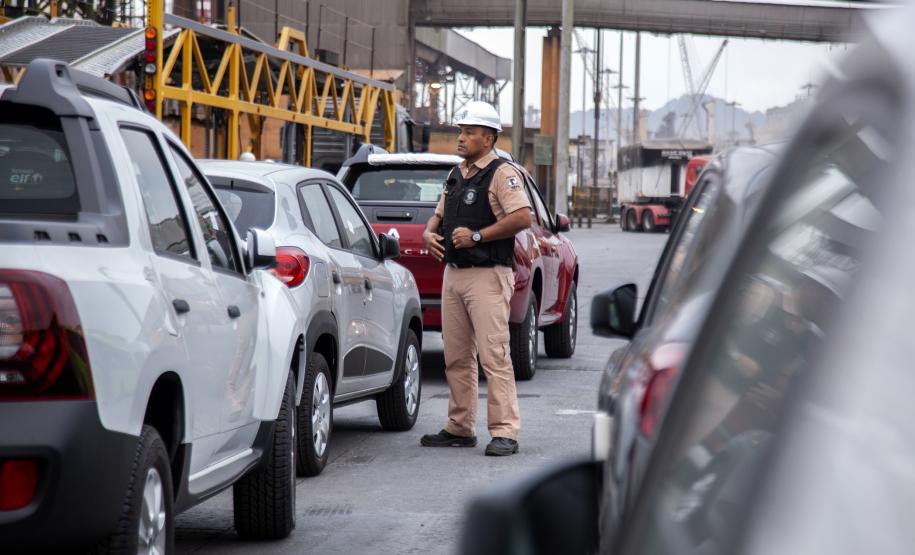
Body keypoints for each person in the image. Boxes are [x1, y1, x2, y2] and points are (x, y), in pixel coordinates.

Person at [419, 101, 532, 456]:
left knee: (494, 356)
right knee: (456, 356)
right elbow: (438, 216)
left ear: (488, 137)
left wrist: (478, 236)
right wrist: (428, 233)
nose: (461, 137)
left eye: (469, 132)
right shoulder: (456, 174)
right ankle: (459, 426)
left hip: (488, 275)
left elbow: (523, 217)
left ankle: (504, 431)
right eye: (460, 131)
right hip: (454, 275)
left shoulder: (502, 173)